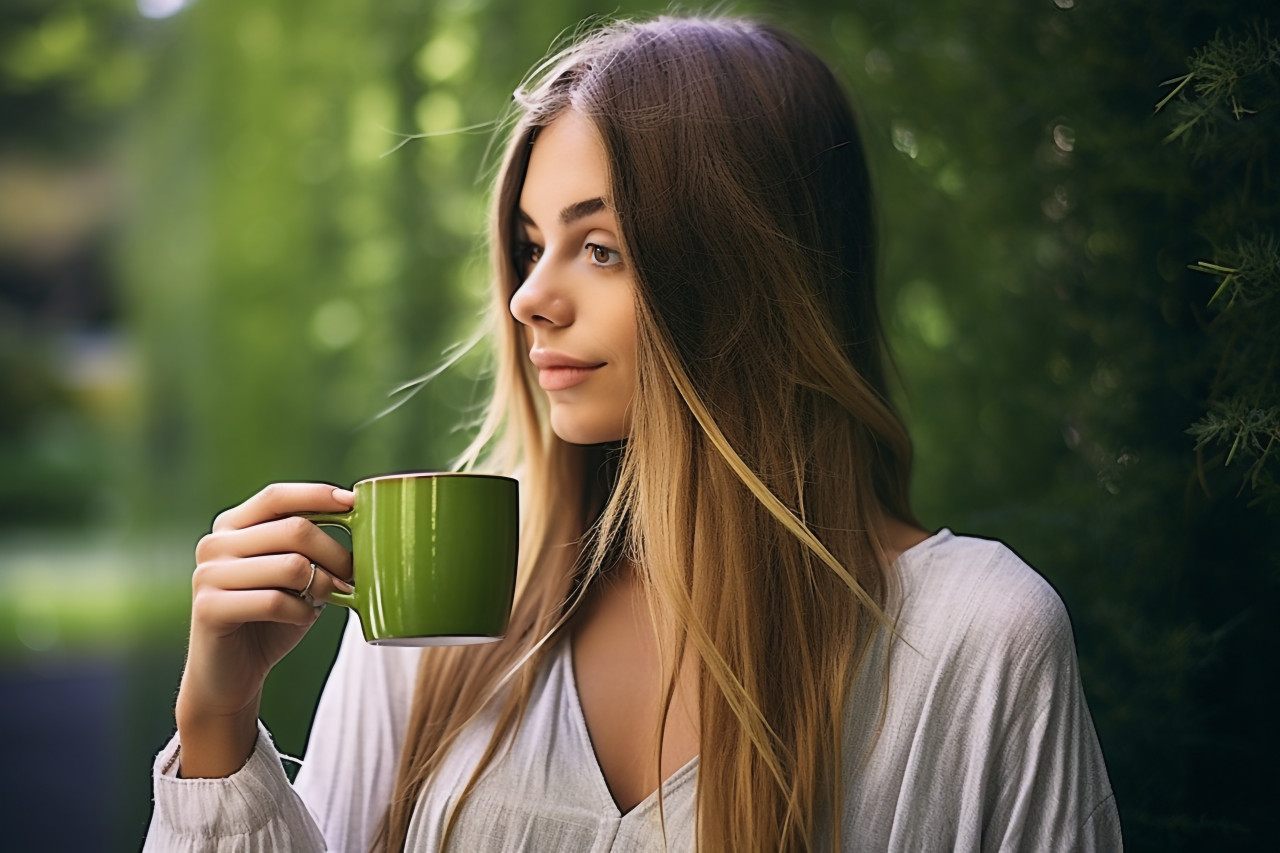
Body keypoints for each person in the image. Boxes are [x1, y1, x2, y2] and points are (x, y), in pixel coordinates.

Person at [143, 13, 1122, 853]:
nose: (529, 298)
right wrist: (218, 721)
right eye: (531, 246)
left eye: (601, 248)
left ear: (750, 274)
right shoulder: (436, 617)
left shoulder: (976, 641)